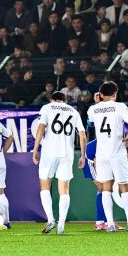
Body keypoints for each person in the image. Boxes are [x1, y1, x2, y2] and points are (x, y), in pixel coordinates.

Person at [86, 80, 128, 232]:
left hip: (102, 155)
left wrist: (97, 104)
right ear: (115, 94)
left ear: (100, 94)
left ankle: (109, 224)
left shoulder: (93, 109)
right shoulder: (120, 106)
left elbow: (90, 123)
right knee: (124, 187)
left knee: (106, 188)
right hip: (117, 153)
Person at [32, 91, 86, 235]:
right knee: (64, 190)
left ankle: (51, 219)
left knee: (45, 185)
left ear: (52, 100)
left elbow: (41, 127)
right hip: (67, 154)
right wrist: (82, 155)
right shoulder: (73, 111)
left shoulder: (47, 107)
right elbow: (82, 135)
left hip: (49, 152)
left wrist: (35, 149)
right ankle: (61, 225)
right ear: (65, 100)